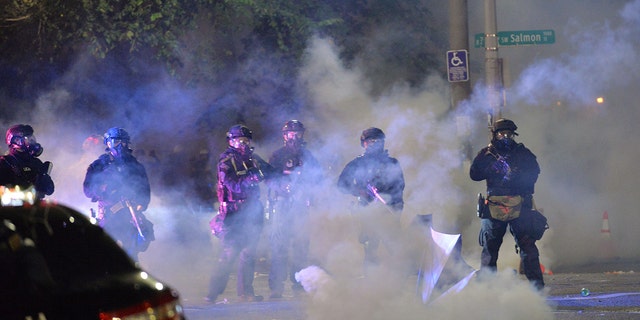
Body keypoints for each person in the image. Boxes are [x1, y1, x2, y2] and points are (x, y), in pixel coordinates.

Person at [469, 118, 544, 290]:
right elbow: (474, 174)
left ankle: (537, 290)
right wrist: (491, 168)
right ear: (495, 134)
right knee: (490, 249)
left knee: (528, 247)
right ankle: (487, 289)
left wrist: (520, 177)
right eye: (502, 133)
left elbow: (534, 172)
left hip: (520, 204)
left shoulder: (522, 153)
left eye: (509, 134)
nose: (506, 137)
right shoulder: (486, 154)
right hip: (494, 204)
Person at [206, 124, 274, 303]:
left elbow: (271, 173)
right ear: (231, 141)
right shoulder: (226, 161)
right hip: (233, 213)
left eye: (246, 140)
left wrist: (289, 178)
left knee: (249, 252)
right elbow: (232, 185)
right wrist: (251, 178)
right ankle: (212, 292)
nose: (243, 144)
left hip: (252, 210)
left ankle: (246, 292)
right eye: (238, 140)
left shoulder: (253, 158)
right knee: (230, 251)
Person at [266, 120, 322, 299]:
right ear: (285, 135)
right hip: (282, 204)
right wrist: (281, 187)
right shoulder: (277, 156)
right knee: (279, 246)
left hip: (300, 206)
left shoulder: (308, 156)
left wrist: (309, 192)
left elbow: (318, 178)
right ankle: (276, 287)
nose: (295, 136)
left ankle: (299, 284)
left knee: (301, 245)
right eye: (291, 133)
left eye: (298, 133)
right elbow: (269, 178)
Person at [337, 127, 405, 271]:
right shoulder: (357, 164)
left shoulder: (392, 163)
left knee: (394, 247)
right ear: (364, 143)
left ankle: (397, 278)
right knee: (370, 246)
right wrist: (359, 192)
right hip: (367, 211)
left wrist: (391, 202)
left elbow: (400, 185)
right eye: (371, 141)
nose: (374, 144)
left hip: (388, 210)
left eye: (378, 141)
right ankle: (371, 281)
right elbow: (341, 184)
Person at [83, 127, 154, 262]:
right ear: (108, 143)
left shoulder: (135, 165)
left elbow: (145, 189)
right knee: (106, 252)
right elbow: (88, 190)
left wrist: (140, 205)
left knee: (131, 255)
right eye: (116, 142)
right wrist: (105, 187)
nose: (121, 146)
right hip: (109, 215)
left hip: (129, 215)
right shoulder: (99, 165)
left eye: (124, 142)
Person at [0, 124, 54, 200]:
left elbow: (49, 191)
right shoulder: (4, 162)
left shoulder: (36, 162)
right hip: (13, 209)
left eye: (32, 138)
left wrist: (44, 177)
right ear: (16, 141)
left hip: (34, 209)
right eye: (27, 138)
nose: (31, 141)